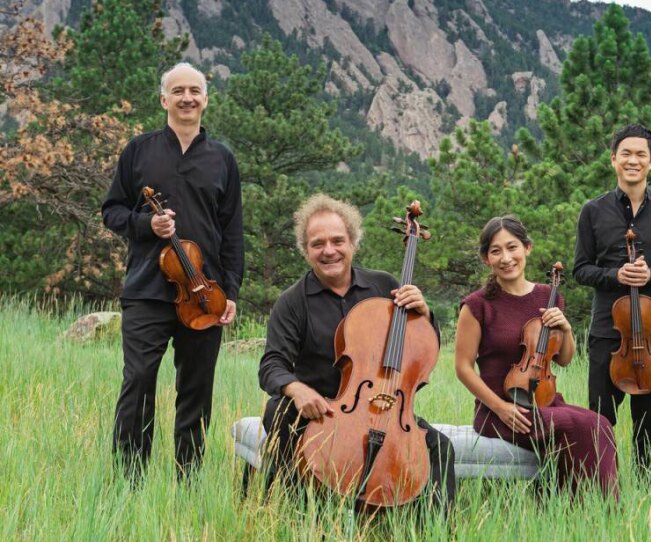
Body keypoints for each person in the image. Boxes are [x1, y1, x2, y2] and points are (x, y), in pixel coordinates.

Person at [258, 194, 455, 511]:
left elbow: (421, 350)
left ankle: (434, 529)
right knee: (278, 409)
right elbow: (272, 364)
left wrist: (425, 314)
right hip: (321, 408)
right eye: (317, 243)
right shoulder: (293, 301)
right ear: (305, 250)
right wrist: (296, 389)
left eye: (338, 240)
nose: (329, 250)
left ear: (353, 242)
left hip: (383, 406)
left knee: (440, 448)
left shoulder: (384, 286)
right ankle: (290, 511)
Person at [102, 62, 244, 480]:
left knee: (197, 389)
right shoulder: (139, 151)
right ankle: (129, 480)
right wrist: (147, 225)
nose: (187, 98)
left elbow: (232, 231)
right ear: (164, 99)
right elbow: (111, 211)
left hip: (205, 294)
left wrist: (231, 291)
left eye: (194, 91)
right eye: (178, 91)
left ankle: (189, 481)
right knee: (139, 380)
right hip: (147, 290)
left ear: (205, 99)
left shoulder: (222, 159)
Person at [454, 216, 618, 498]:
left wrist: (565, 328)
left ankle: (589, 509)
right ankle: (587, 508)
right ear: (486, 259)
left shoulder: (548, 296)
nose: (506, 258)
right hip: (500, 412)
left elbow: (564, 359)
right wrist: (500, 408)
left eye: (512, 247)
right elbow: (462, 368)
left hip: (544, 402)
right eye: (496, 251)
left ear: (527, 248)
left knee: (600, 423)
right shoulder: (476, 305)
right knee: (585, 426)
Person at [573, 123, 651, 481]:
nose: (633, 160)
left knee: (647, 425)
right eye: (625, 153)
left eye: (641, 154)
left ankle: (644, 489)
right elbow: (581, 269)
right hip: (608, 334)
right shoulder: (592, 211)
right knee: (599, 421)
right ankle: (598, 490)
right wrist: (616, 276)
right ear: (613, 160)